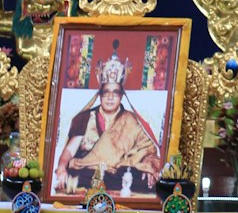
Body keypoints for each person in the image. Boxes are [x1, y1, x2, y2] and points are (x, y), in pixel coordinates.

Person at [53, 46, 161, 194]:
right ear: (100, 95)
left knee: (144, 180)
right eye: (106, 93)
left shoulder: (131, 120)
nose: (110, 97)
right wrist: (61, 167)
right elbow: (69, 151)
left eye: (115, 93)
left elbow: (148, 151)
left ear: (121, 96)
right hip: (88, 170)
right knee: (81, 177)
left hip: (118, 172)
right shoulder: (85, 118)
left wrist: (150, 167)